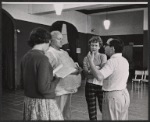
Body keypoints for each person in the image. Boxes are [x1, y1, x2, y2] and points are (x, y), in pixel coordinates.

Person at [20, 27, 63, 120]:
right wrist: (57, 79)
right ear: (46, 41)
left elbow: (22, 84)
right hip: (42, 103)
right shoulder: (42, 58)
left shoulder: (25, 56)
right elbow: (44, 89)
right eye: (49, 42)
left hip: (29, 101)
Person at [87, 38, 130, 120]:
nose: (104, 47)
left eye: (106, 45)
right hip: (123, 95)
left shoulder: (112, 62)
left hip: (113, 97)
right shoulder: (124, 60)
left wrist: (91, 62)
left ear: (112, 48)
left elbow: (99, 77)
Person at [45, 31, 82, 120]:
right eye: (59, 39)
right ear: (51, 40)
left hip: (68, 88)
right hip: (58, 89)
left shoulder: (64, 52)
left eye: (62, 39)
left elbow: (69, 66)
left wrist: (77, 69)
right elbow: (48, 72)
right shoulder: (50, 53)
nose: (62, 41)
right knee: (57, 114)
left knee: (66, 114)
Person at [83, 36, 107, 120]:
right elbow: (86, 73)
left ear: (99, 46)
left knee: (103, 108)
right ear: (89, 46)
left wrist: (91, 69)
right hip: (90, 85)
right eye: (92, 45)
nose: (94, 47)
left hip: (101, 86)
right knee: (91, 109)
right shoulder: (86, 58)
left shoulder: (103, 56)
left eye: (96, 45)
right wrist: (97, 68)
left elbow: (103, 71)